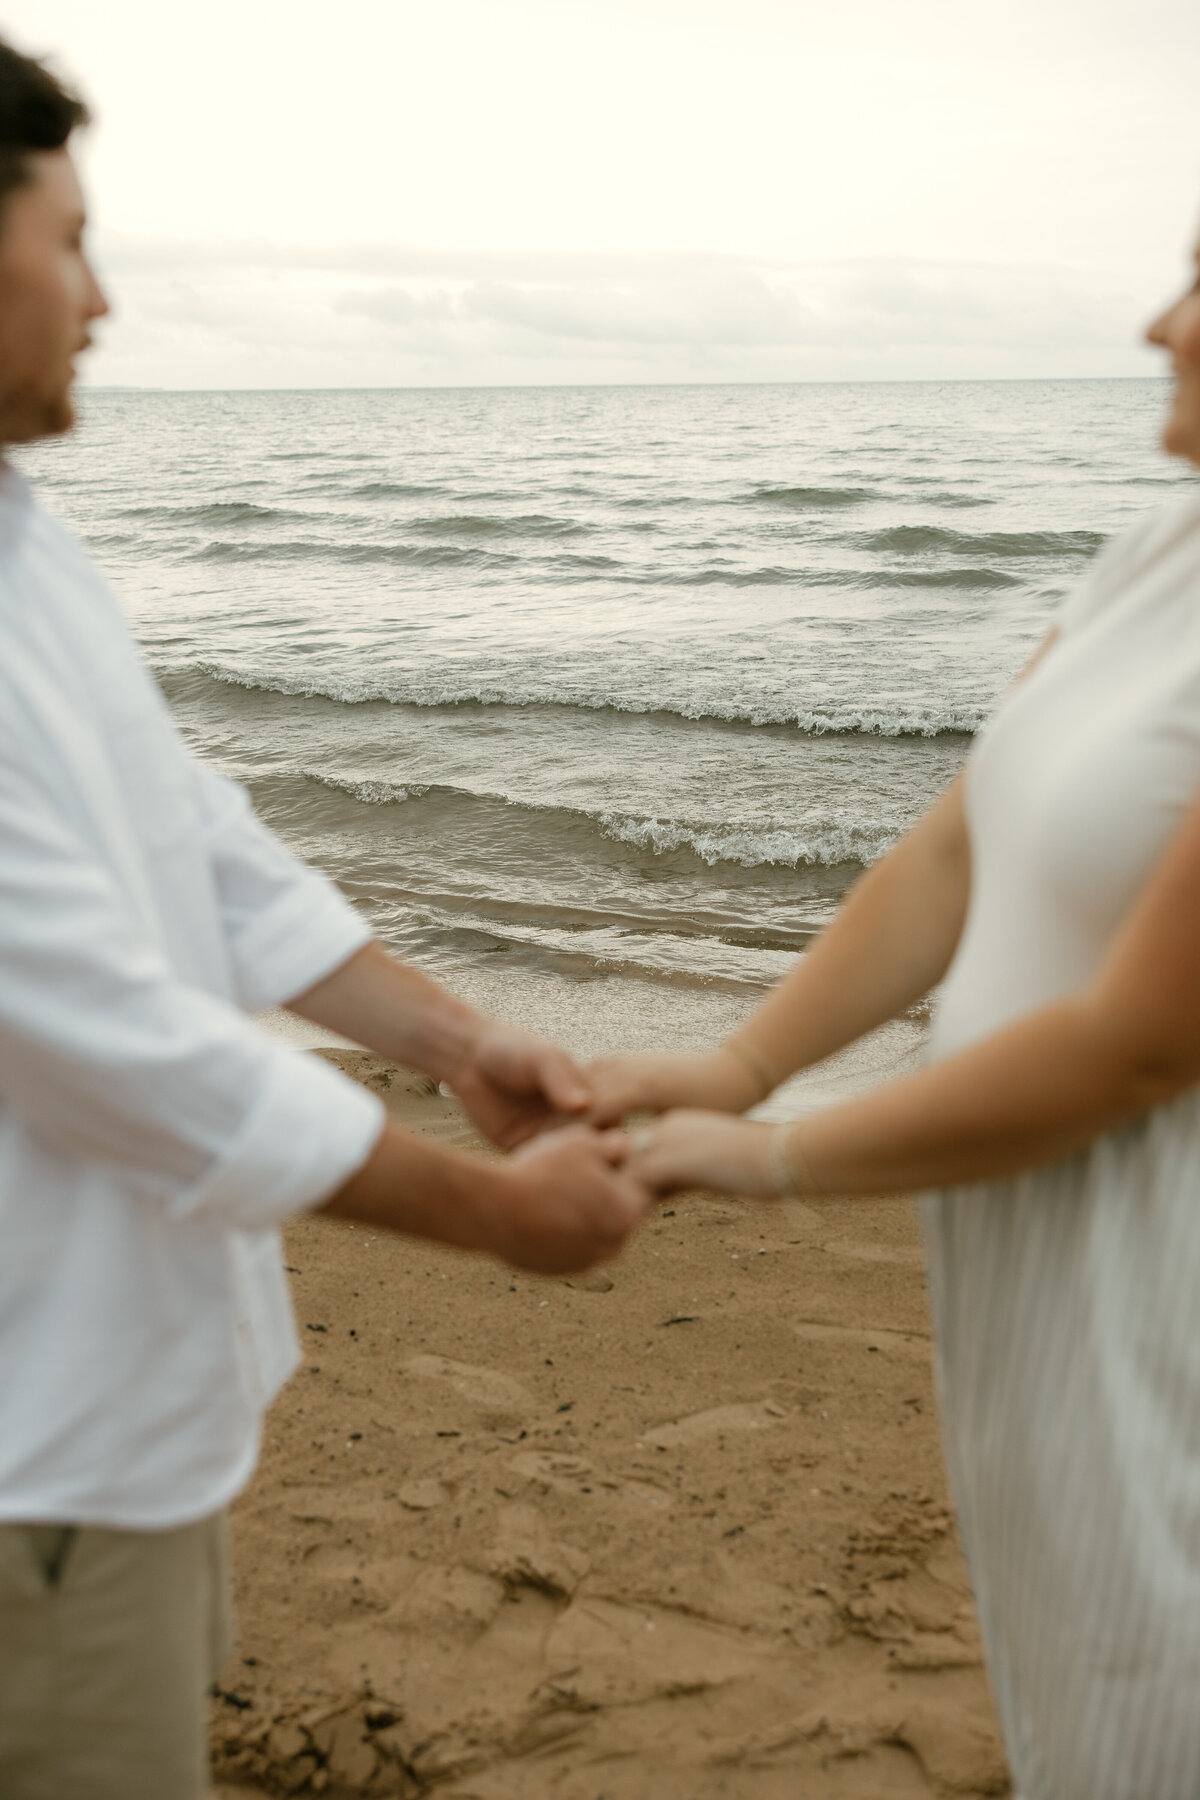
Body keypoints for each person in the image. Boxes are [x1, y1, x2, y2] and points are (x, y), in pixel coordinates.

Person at [0, 40, 651, 1800]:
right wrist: (493, 1219)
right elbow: (98, 1040)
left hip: (129, 1402)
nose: (106, 297)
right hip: (32, 1455)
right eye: (70, 240)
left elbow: (191, 841)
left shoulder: (22, 537)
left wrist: (458, 1038)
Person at [594, 233, 1200, 1799]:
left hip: (1161, 1255)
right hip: (1036, 1241)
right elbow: (955, 841)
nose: (1159, 319)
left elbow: (1140, 1044)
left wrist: (776, 1153)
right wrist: (741, 1059)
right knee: (1081, 1668)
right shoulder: (1161, 549)